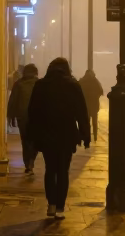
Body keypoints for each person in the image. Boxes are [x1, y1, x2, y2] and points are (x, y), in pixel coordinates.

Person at [26, 57, 90, 219]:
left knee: (50, 169)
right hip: (66, 135)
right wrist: (85, 135)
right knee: (63, 171)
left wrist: (31, 137)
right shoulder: (73, 86)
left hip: (46, 135)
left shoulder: (40, 86)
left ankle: (51, 204)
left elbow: (33, 113)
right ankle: (60, 206)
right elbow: (82, 113)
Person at [7, 63, 39, 172]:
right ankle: (31, 160)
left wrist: (11, 116)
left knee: (25, 141)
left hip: (22, 117)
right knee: (35, 140)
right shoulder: (39, 84)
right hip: (36, 118)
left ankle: (27, 163)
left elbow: (12, 101)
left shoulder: (18, 84)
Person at [78, 68, 104, 142]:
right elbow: (101, 91)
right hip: (94, 104)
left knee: (87, 121)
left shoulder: (82, 81)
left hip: (85, 105)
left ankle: (87, 136)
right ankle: (95, 136)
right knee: (94, 121)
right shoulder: (95, 81)